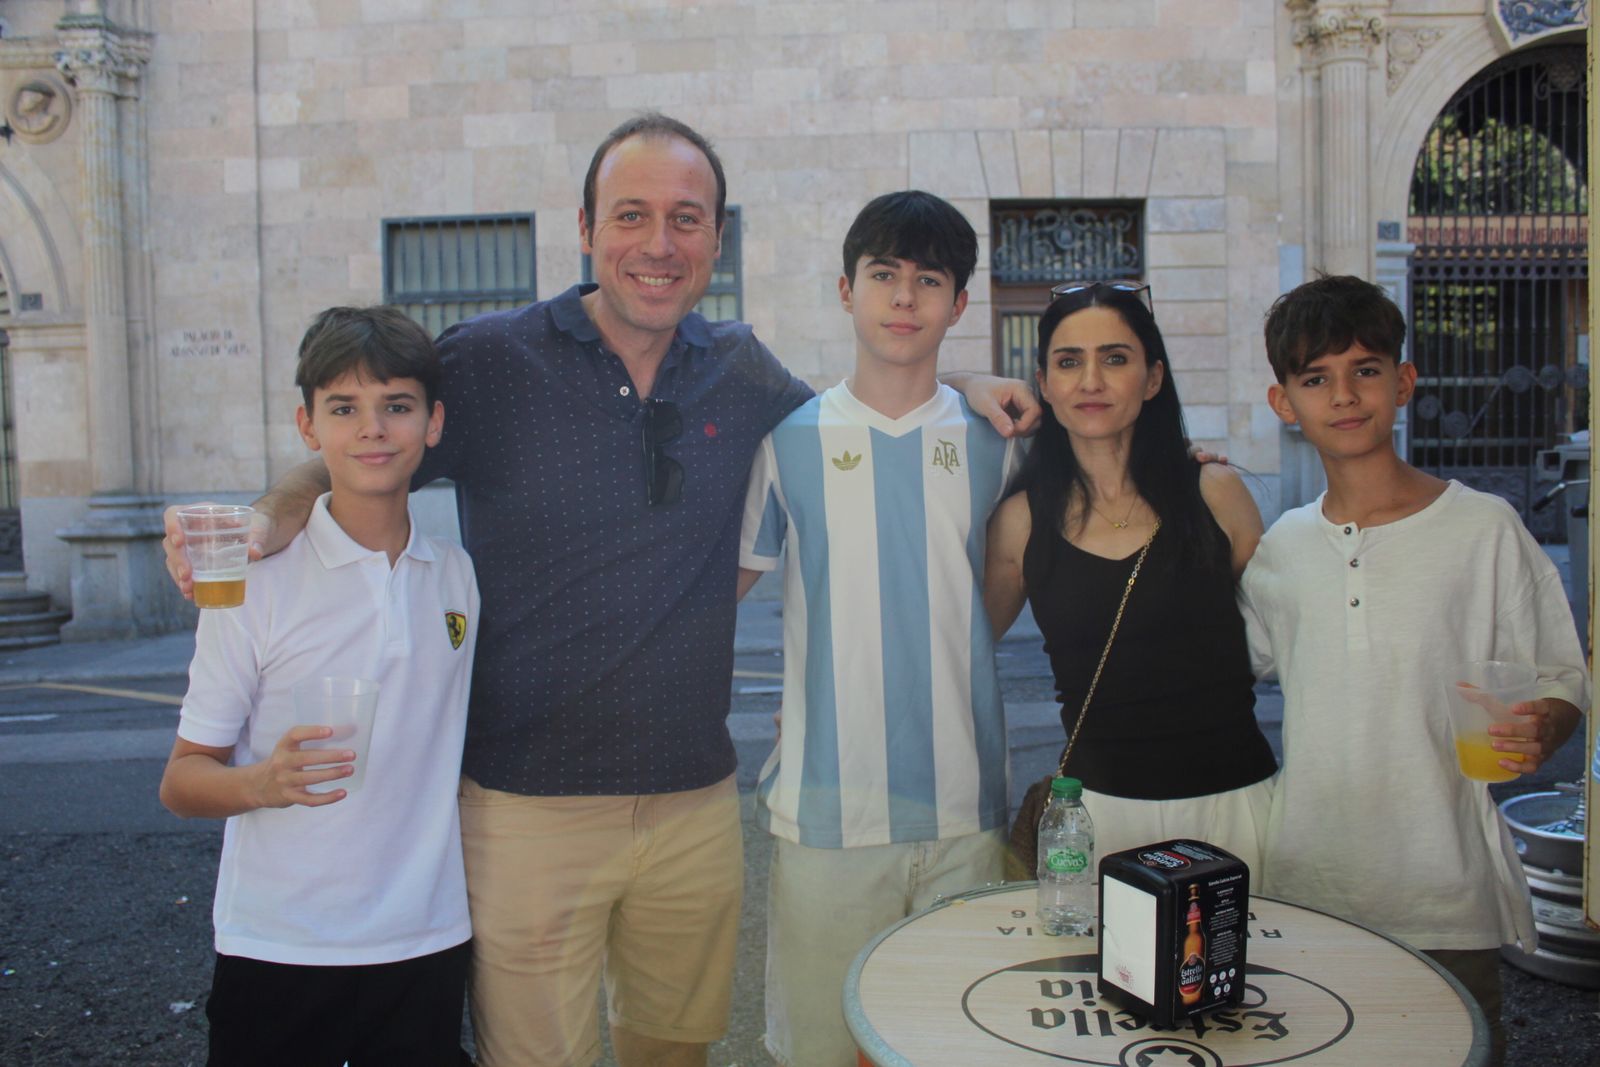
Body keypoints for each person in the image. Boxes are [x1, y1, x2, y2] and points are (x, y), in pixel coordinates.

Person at [159, 113, 1037, 1067]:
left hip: (694, 805)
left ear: (716, 236)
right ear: (584, 229)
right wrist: (268, 517)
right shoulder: (490, 361)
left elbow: (873, 406)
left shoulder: (741, 371)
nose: (658, 244)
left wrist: (972, 380)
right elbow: (367, 437)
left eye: (686, 218)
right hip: (528, 810)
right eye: (632, 215)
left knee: (672, 1053)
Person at [1241, 275, 1588, 1067]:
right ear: (1283, 403)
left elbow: (1562, 675)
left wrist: (1545, 726)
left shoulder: (1484, 529)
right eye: (1316, 378)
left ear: (1403, 382)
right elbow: (1225, 666)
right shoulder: (1280, 550)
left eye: (1365, 369)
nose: (1344, 395)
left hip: (1445, 890)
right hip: (1310, 886)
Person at [737, 191, 1021, 1067]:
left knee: (959, 1047)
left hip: (965, 811)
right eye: (884, 275)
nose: (904, 298)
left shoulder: (999, 440)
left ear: (960, 304)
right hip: (827, 812)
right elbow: (712, 597)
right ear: (845, 289)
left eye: (928, 280)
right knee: (822, 1048)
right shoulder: (786, 442)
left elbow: (1000, 585)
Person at [158, 306, 479, 1067]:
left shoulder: (457, 574)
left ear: (433, 425)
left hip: (424, 937)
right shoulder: (253, 587)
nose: (372, 428)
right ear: (308, 426)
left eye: (396, 406)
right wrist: (263, 782)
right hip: (279, 945)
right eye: (344, 408)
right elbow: (181, 779)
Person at [983, 281, 1276, 870]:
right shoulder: (1019, 521)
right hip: (1099, 818)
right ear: (1044, 383)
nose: (1091, 381)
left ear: (1153, 379)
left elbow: (1289, 638)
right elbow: (953, 650)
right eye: (1069, 362)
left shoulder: (1216, 493)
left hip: (1236, 809)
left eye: (1115, 358)